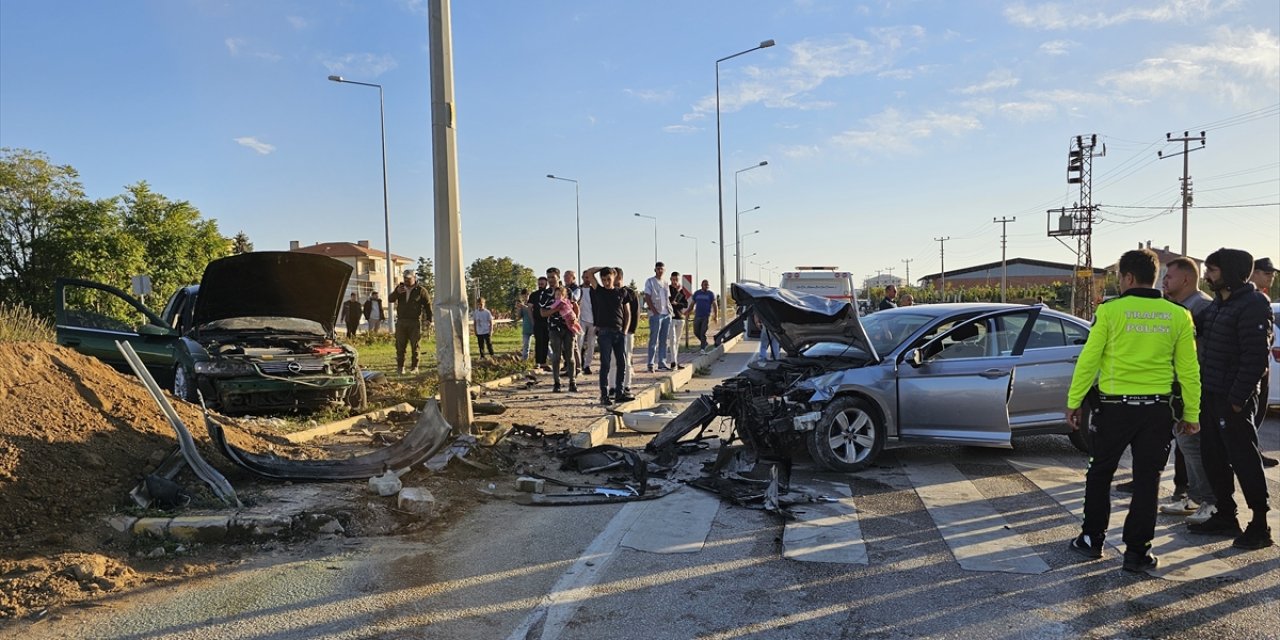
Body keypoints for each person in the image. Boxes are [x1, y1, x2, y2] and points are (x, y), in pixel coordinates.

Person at [1065, 248, 1200, 573]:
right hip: (1157, 412)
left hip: (1114, 410)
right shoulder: (1178, 314)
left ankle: (1092, 540)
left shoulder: (1111, 312)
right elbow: (1189, 369)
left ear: (1126, 277)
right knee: (1147, 481)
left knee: (1100, 474)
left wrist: (1075, 401)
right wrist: (1192, 413)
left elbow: (1089, 360)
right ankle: (1137, 553)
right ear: (1153, 277)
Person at [1187, 248, 1273, 550]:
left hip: (1233, 400)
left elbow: (1256, 358)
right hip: (1210, 395)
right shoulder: (1218, 306)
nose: (1208, 275)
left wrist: (1237, 400)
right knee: (1213, 457)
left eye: (1213, 270)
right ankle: (1226, 515)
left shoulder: (1253, 304)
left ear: (1231, 272)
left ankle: (1260, 525)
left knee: (1244, 459)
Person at [1156, 257, 1218, 523]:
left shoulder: (1201, 308)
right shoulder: (1179, 307)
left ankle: (1211, 502)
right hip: (1181, 390)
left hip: (1198, 390)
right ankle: (1194, 497)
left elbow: (1201, 356)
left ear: (1186, 279)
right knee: (1186, 444)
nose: (1164, 281)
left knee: (1196, 447)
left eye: (1168, 277)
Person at [584, 266, 630, 405]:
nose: (606, 282)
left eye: (608, 279)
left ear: (614, 277)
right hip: (604, 333)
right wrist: (604, 267)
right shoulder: (599, 291)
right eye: (603, 279)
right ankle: (604, 395)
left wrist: (625, 331)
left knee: (622, 363)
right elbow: (589, 273)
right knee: (605, 364)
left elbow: (627, 312)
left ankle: (619, 393)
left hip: (619, 332)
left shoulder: (622, 292)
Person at [1248, 257, 1277, 468]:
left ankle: (1254, 450)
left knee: (1260, 410)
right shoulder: (1248, 299)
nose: (1272, 277)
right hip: (1251, 365)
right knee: (1251, 412)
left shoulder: (1262, 297)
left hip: (1263, 364)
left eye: (1273, 274)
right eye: (1267, 273)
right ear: (1253, 273)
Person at [389, 269, 433, 375]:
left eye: (408, 278)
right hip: (401, 321)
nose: (406, 281)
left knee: (415, 345)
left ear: (414, 278)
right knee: (400, 346)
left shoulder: (421, 290)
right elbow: (390, 299)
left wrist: (429, 319)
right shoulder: (400, 289)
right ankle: (400, 367)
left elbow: (428, 305)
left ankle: (414, 367)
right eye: (405, 278)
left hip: (414, 322)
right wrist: (396, 292)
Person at [540, 274, 578, 393]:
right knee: (556, 356)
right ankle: (557, 382)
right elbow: (543, 313)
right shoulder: (545, 294)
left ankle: (572, 382)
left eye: (553, 277)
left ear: (558, 278)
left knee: (570, 355)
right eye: (549, 277)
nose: (551, 280)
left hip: (568, 328)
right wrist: (556, 309)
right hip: (554, 328)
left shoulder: (568, 291)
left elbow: (575, 306)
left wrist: (575, 318)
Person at [643, 261, 672, 372]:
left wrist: (669, 312)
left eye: (662, 269)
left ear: (664, 270)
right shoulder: (650, 281)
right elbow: (647, 296)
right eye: (658, 268)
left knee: (664, 340)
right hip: (656, 315)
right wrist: (654, 311)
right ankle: (650, 363)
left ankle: (662, 363)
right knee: (653, 340)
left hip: (666, 314)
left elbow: (667, 298)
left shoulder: (665, 283)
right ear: (655, 269)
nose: (660, 271)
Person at [617, 266, 639, 397]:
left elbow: (634, 313)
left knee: (626, 359)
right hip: (614, 331)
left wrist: (631, 330)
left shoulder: (629, 293)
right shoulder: (611, 292)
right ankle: (614, 386)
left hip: (627, 332)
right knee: (614, 361)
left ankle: (627, 385)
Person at [575, 269, 597, 376]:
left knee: (591, 344)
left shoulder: (595, 290)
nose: (587, 279)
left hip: (593, 321)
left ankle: (587, 365)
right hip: (581, 320)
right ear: (582, 278)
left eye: (589, 277)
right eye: (585, 277)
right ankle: (578, 364)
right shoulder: (579, 290)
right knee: (578, 343)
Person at [528, 276, 551, 369]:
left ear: (546, 283)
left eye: (543, 283)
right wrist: (532, 321)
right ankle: (537, 362)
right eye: (539, 283)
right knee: (539, 341)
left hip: (548, 321)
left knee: (546, 341)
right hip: (537, 321)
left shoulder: (549, 293)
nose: (541, 284)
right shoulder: (534, 295)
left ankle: (543, 362)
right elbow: (530, 308)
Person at [668, 271, 689, 369]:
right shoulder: (668, 289)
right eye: (673, 280)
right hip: (671, 318)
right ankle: (673, 361)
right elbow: (669, 301)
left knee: (677, 341)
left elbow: (685, 304)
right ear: (670, 279)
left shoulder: (682, 291)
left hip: (680, 318)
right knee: (672, 339)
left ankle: (675, 361)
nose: (675, 282)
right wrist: (674, 301)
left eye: (676, 280)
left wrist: (677, 304)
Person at [691, 279, 717, 353]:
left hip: (706, 316)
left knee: (703, 332)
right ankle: (705, 342)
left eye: (707, 285)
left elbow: (715, 305)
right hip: (697, 315)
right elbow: (692, 304)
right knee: (696, 331)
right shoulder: (697, 293)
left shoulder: (710, 294)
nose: (707, 286)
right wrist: (688, 311)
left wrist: (716, 315)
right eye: (705, 284)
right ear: (701, 285)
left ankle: (702, 348)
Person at [516, 288, 534, 361]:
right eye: (523, 296)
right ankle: (524, 361)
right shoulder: (522, 306)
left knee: (541, 344)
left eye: (526, 296)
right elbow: (519, 316)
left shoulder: (533, 303)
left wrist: (523, 306)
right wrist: (518, 309)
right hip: (526, 328)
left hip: (534, 326)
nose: (525, 298)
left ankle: (551, 358)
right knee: (525, 345)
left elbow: (531, 311)